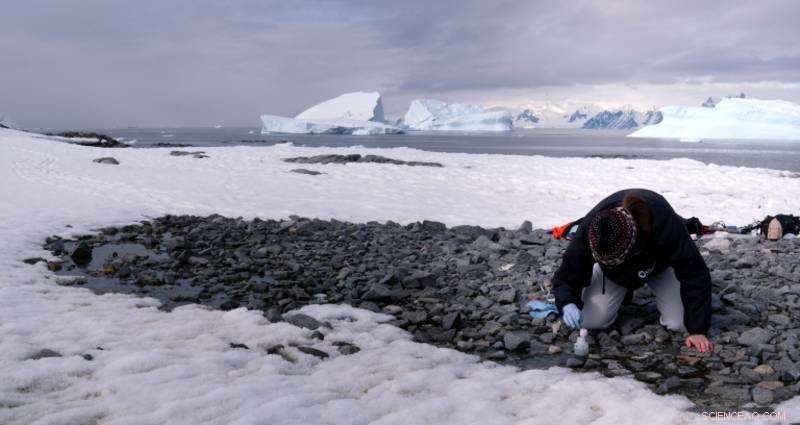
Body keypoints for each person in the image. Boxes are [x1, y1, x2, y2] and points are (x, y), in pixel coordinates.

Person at [552, 188, 713, 353]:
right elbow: (568, 273)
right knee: (590, 321)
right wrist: (567, 302)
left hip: (660, 266)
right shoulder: (593, 227)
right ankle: (616, 289)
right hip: (615, 275)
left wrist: (697, 330)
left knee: (680, 324)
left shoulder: (664, 220)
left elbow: (695, 272)